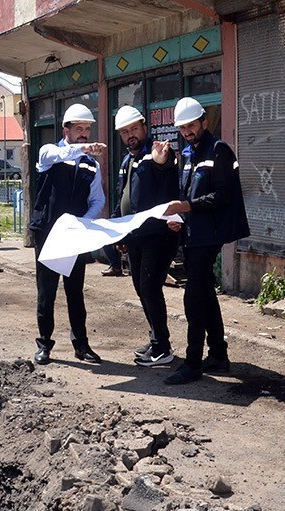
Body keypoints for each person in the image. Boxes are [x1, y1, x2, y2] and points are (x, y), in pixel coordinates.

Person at [163, 97, 250, 385]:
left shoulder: (219, 150)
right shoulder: (188, 154)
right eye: (182, 127)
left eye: (191, 125)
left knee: (193, 297)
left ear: (203, 121)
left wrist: (186, 207)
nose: (187, 131)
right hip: (192, 233)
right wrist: (179, 218)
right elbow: (186, 192)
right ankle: (218, 355)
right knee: (205, 294)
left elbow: (224, 195)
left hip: (209, 235)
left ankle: (192, 363)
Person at [30, 103, 106, 365]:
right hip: (48, 234)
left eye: (87, 129)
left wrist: (83, 222)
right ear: (66, 130)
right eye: (79, 129)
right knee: (47, 291)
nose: (84, 133)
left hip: (75, 235)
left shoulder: (91, 166)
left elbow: (98, 200)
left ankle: (81, 345)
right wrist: (82, 149)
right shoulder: (49, 153)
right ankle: (44, 344)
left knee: (75, 292)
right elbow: (53, 157)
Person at [110, 106, 180, 368]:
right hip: (136, 235)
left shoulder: (155, 154)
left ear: (144, 128)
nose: (131, 135)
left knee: (150, 288)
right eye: (125, 132)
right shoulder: (128, 160)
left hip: (158, 235)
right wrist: (118, 230)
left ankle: (163, 348)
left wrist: (163, 159)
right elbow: (124, 197)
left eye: (134, 129)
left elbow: (166, 167)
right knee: (141, 289)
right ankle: (156, 340)